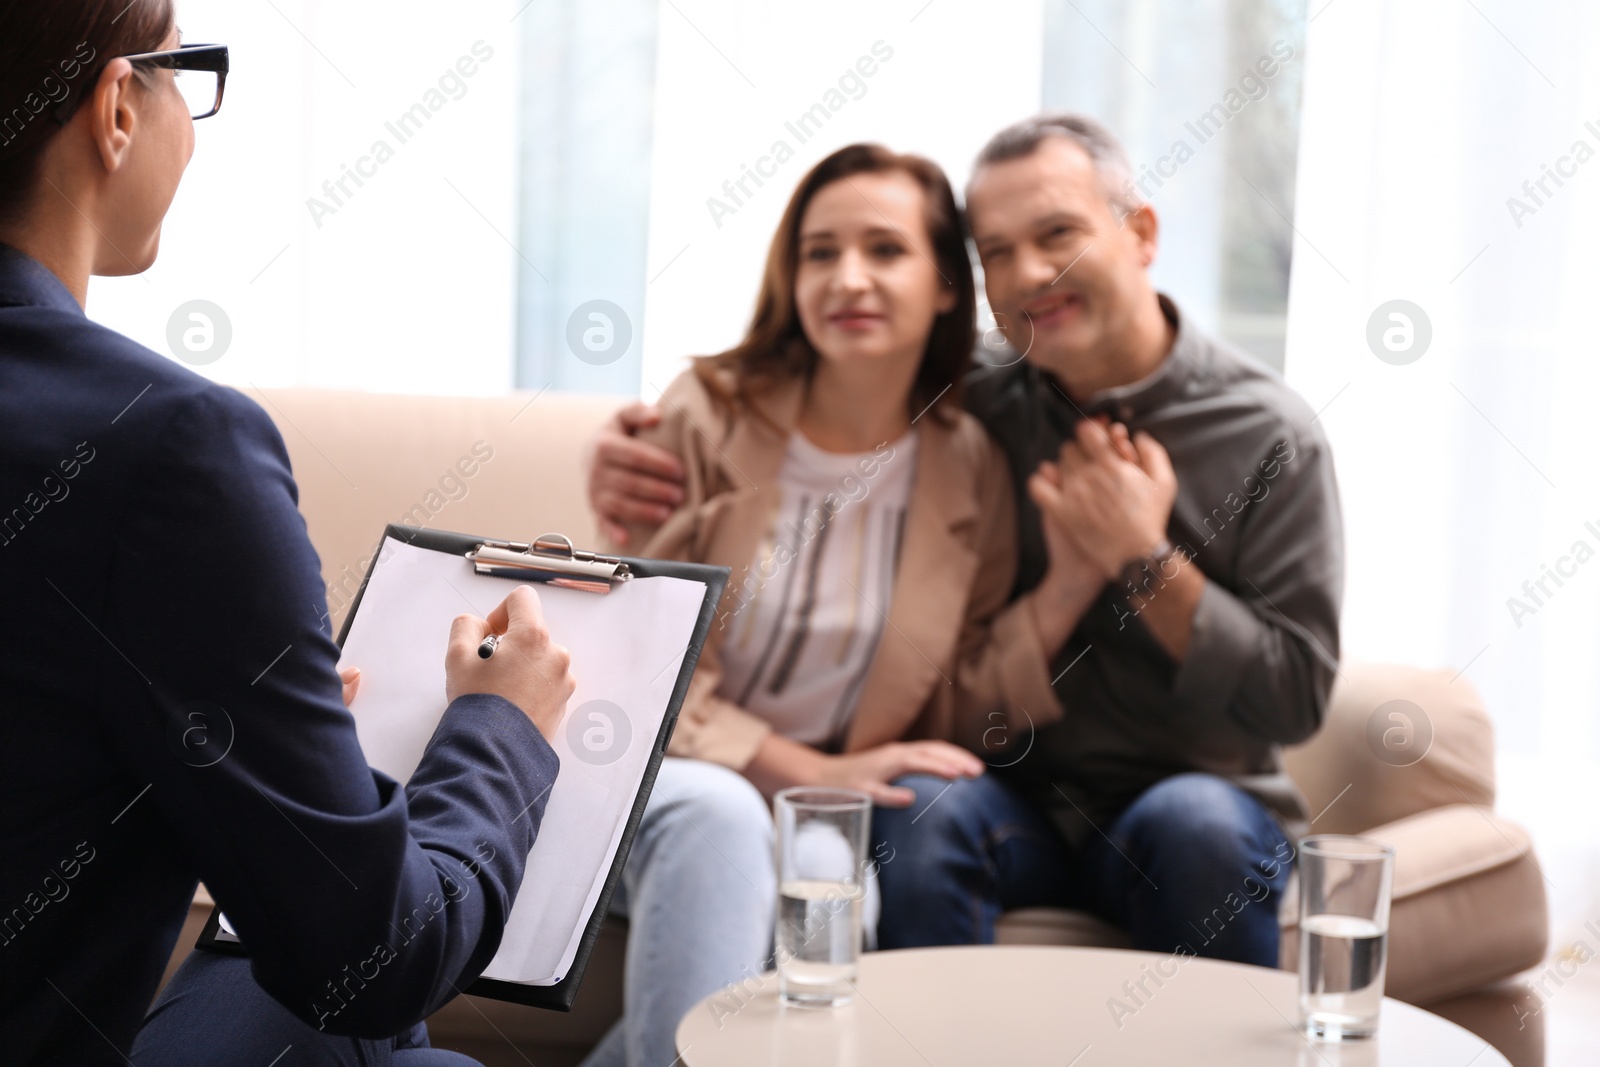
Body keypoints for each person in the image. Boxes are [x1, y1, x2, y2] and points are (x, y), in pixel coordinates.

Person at [587, 113, 1344, 968]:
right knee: (919, 805)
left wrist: (1142, 556)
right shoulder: (973, 397)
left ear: (1141, 232)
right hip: (1005, 794)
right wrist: (618, 457)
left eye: (1057, 234)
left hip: (1182, 802)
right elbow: (822, 388)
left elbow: (1296, 697)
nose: (1026, 275)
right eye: (996, 251)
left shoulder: (1269, 435)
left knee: (1198, 827)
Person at [0, 3, 575, 1064]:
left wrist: (252, 741)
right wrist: (503, 728)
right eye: (186, 72)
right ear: (118, 106)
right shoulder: (167, 446)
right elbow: (374, 954)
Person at [577, 143, 1083, 1067]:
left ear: (942, 284)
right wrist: (810, 767)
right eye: (820, 252)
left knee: (834, 887)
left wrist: (1071, 586)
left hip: (814, 810)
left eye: (885, 250)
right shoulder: (707, 411)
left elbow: (965, 683)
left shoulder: (969, 464)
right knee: (727, 819)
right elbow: (641, 655)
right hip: (663, 770)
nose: (848, 277)